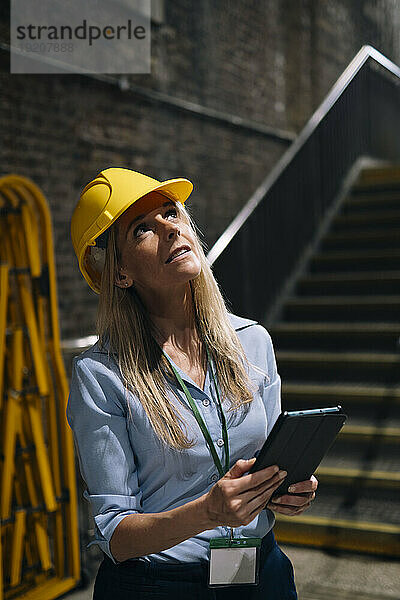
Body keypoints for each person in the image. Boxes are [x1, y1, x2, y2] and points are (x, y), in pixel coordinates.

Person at [67, 167, 318, 599]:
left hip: (260, 574)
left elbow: (271, 461)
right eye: (142, 229)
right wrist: (208, 513)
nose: (168, 228)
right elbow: (116, 536)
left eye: (171, 213)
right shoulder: (101, 374)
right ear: (120, 272)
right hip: (158, 586)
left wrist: (287, 489)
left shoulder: (253, 342)